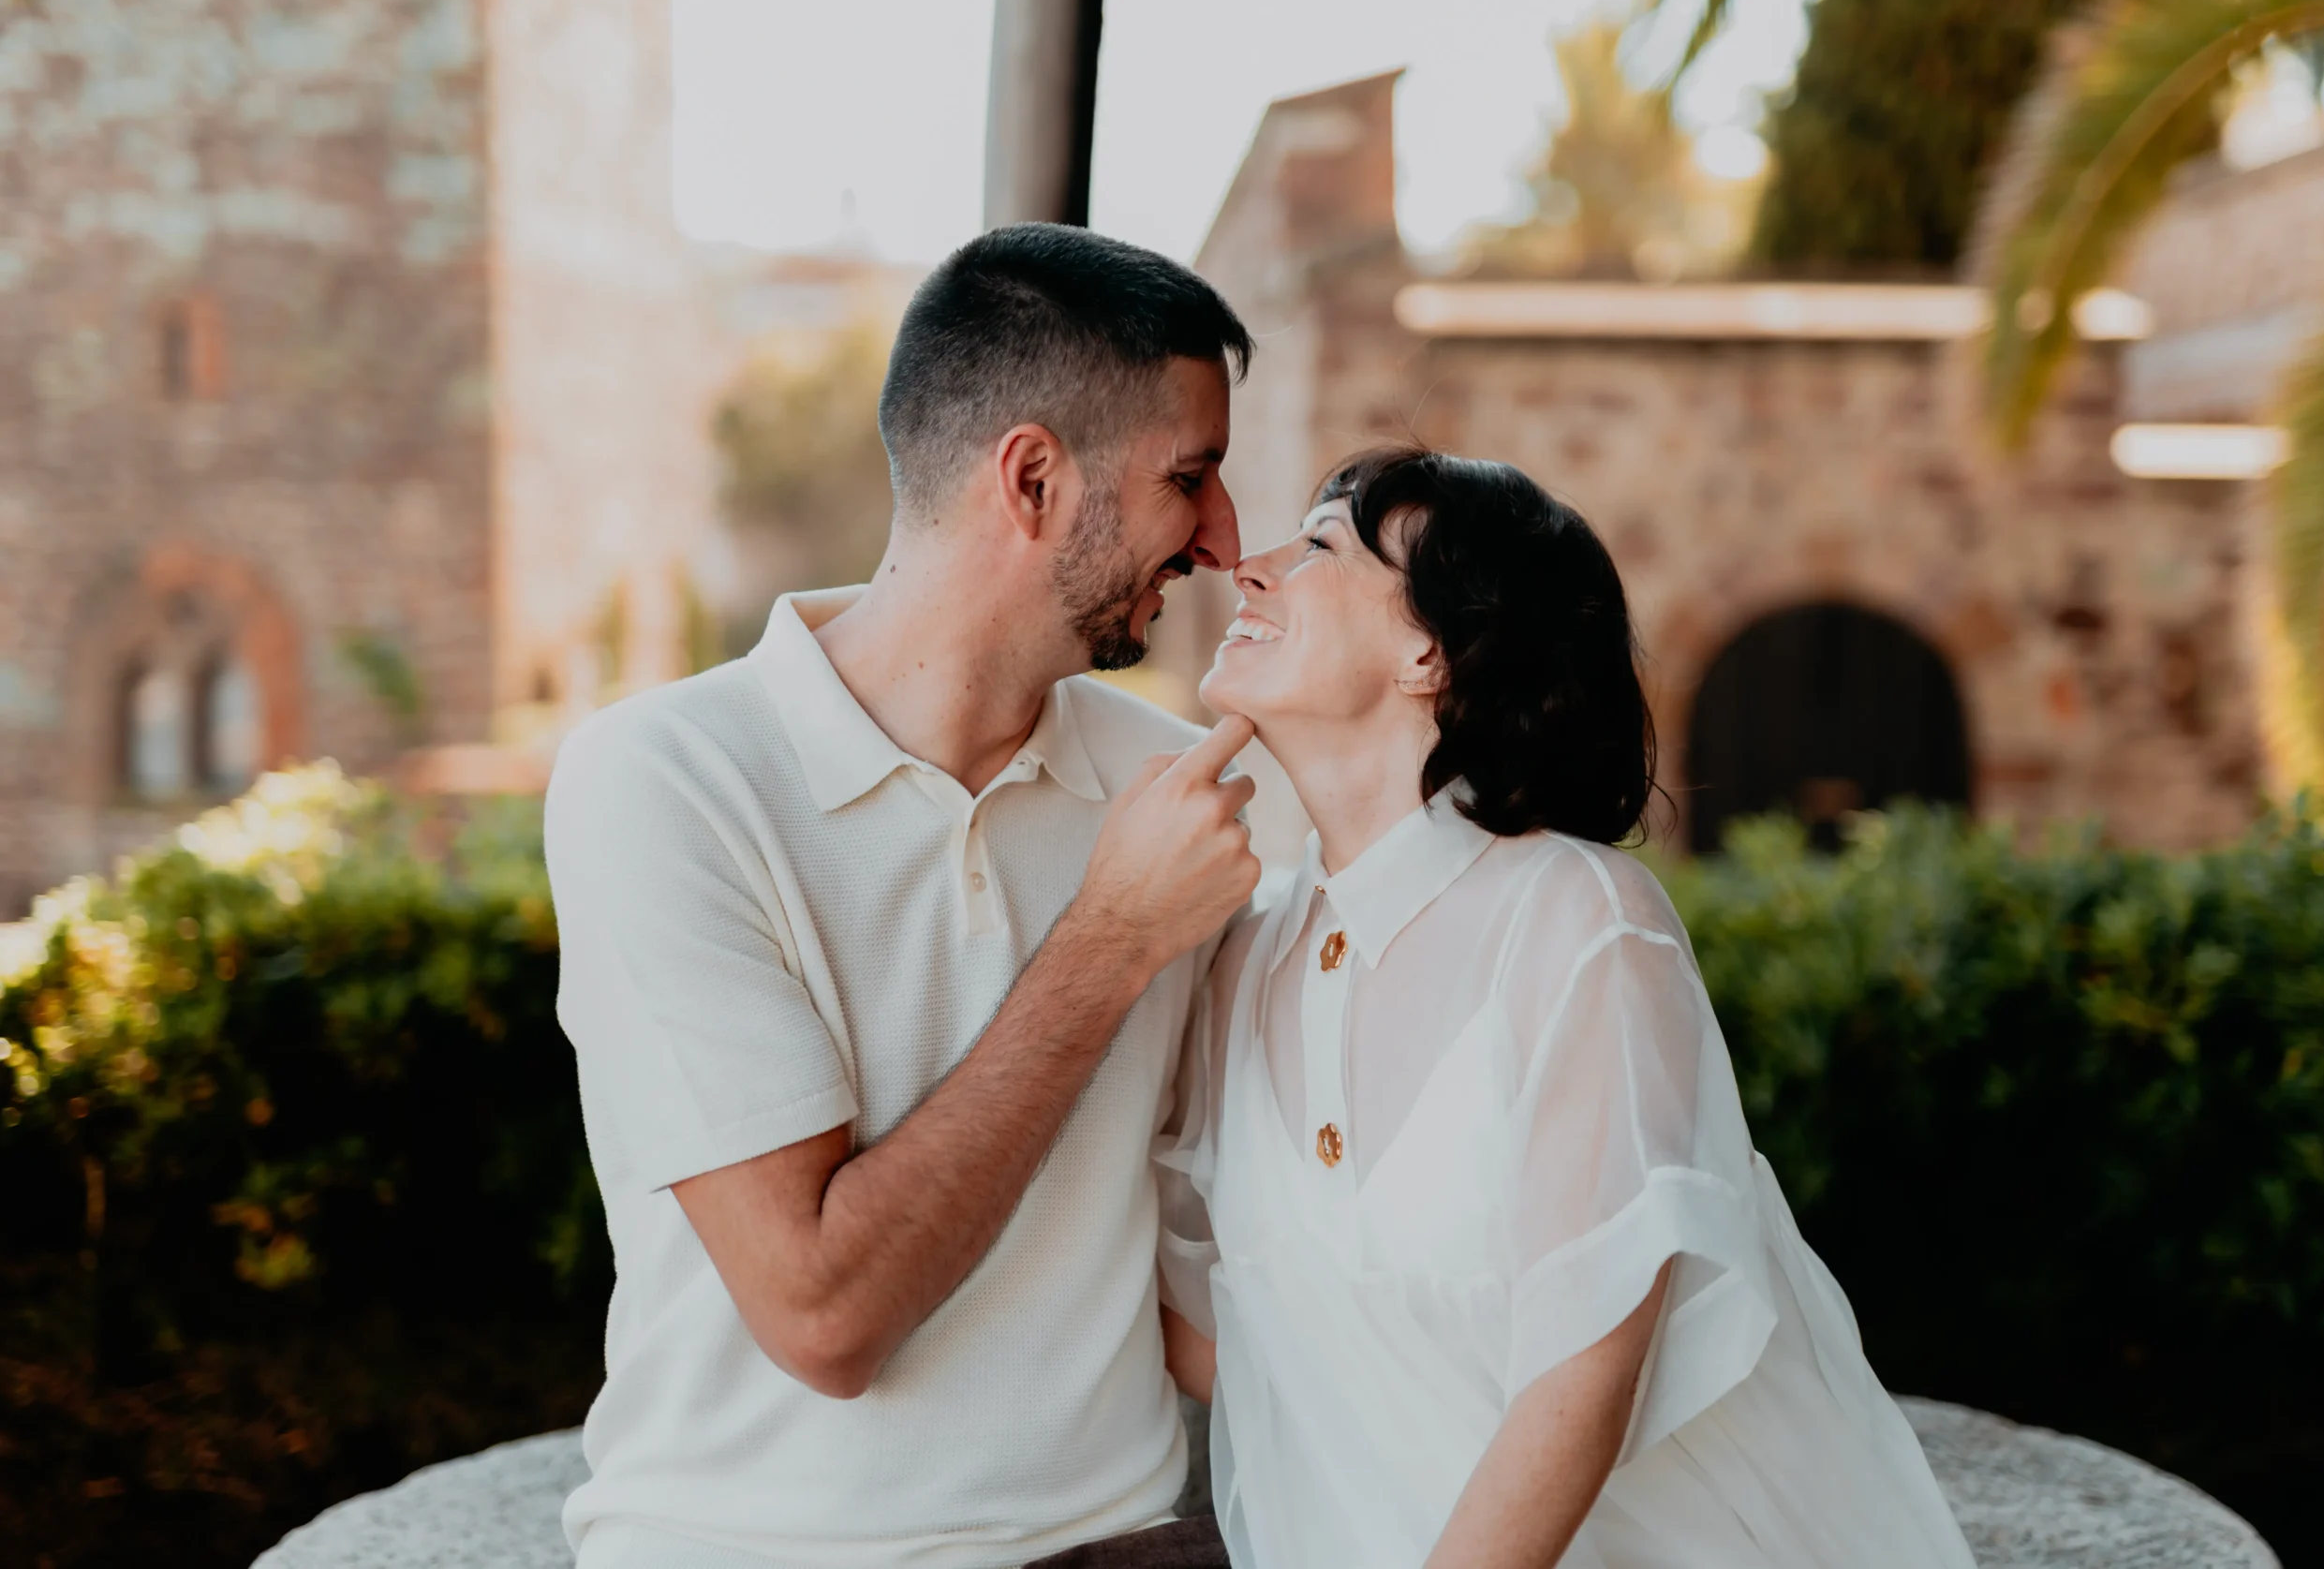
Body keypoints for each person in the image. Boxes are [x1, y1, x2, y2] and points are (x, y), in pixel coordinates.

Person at [544, 224, 1259, 1568]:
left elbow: (1221, 1251)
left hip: (1128, 1540)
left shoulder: (1179, 789)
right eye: (1190, 476)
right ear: (1034, 476)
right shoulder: (664, 783)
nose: (1224, 536)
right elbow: (823, 1314)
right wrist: (1109, 942)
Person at [1155, 446, 1976, 1569]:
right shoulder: (1244, 951)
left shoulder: (1580, 922)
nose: (1247, 569)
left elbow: (1580, 1374)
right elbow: (1227, 1337)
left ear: (1428, 650)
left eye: (1317, 549)